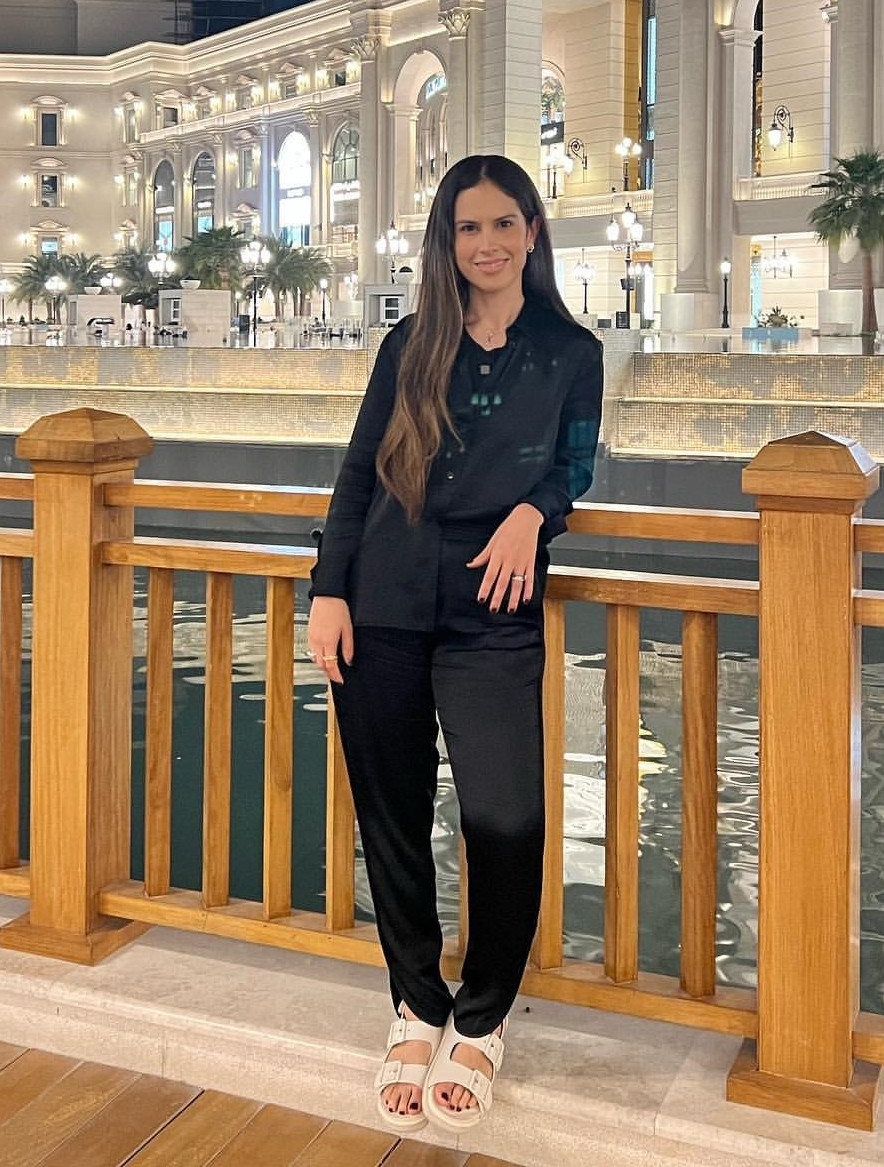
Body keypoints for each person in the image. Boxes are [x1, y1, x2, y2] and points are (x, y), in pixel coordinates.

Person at [307, 153, 604, 1136]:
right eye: (468, 228)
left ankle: (481, 1020)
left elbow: (575, 464)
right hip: (382, 602)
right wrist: (329, 590)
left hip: (491, 612)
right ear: (447, 240)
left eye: (503, 224)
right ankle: (415, 1004)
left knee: (505, 818)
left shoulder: (569, 351)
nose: (486, 244)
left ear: (532, 231)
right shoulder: (411, 344)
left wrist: (533, 512)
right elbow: (360, 471)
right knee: (391, 815)